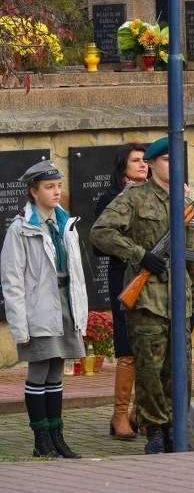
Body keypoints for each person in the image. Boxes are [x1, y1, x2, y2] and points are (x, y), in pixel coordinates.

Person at [90, 136, 194, 455]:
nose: (173, 164)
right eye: (166, 159)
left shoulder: (187, 206)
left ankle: (174, 429)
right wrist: (139, 255)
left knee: (179, 370)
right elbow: (101, 232)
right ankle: (155, 429)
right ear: (152, 164)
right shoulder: (134, 198)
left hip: (179, 302)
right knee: (150, 370)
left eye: (176, 159)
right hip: (147, 300)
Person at [1, 160, 87, 458]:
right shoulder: (20, 229)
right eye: (49, 187)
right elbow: (12, 281)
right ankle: (41, 439)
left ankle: (56, 436)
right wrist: (20, 327)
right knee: (39, 370)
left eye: (59, 186)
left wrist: (80, 315)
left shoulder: (65, 224)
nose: (57, 192)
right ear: (33, 192)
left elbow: (74, 274)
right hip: (38, 308)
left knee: (56, 372)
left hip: (64, 305)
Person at [94, 143, 149, 440]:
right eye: (136, 161)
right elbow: (101, 242)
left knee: (150, 343)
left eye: (145, 160)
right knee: (127, 345)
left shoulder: (156, 196)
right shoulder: (110, 198)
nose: (143, 165)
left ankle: (140, 411)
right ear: (122, 167)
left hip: (152, 275)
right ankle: (119, 415)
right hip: (125, 275)